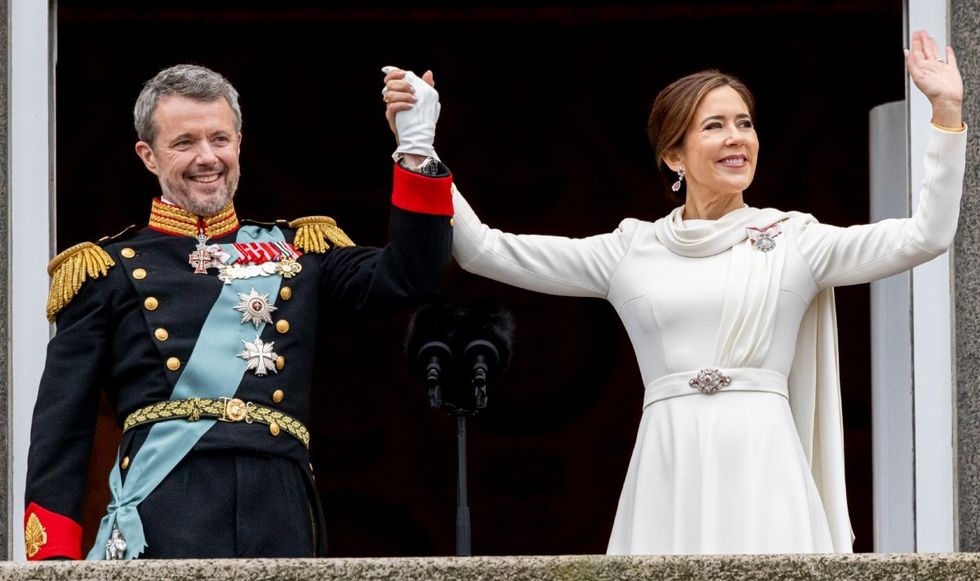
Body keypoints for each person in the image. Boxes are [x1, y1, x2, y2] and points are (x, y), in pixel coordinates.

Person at [382, 29, 966, 554]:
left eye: (744, 123)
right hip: (668, 464)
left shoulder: (795, 239)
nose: (737, 138)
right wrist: (419, 146)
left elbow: (926, 236)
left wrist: (945, 113)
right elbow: (484, 249)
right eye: (714, 126)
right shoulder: (630, 251)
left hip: (765, 465)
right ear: (672, 156)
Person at [24, 63, 453, 560]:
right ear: (148, 156)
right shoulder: (106, 270)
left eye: (219, 139)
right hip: (163, 508)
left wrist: (417, 147)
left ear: (240, 143)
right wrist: (54, 563)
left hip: (279, 506)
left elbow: (410, 277)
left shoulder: (300, 251)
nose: (207, 158)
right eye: (184, 143)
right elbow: (62, 430)